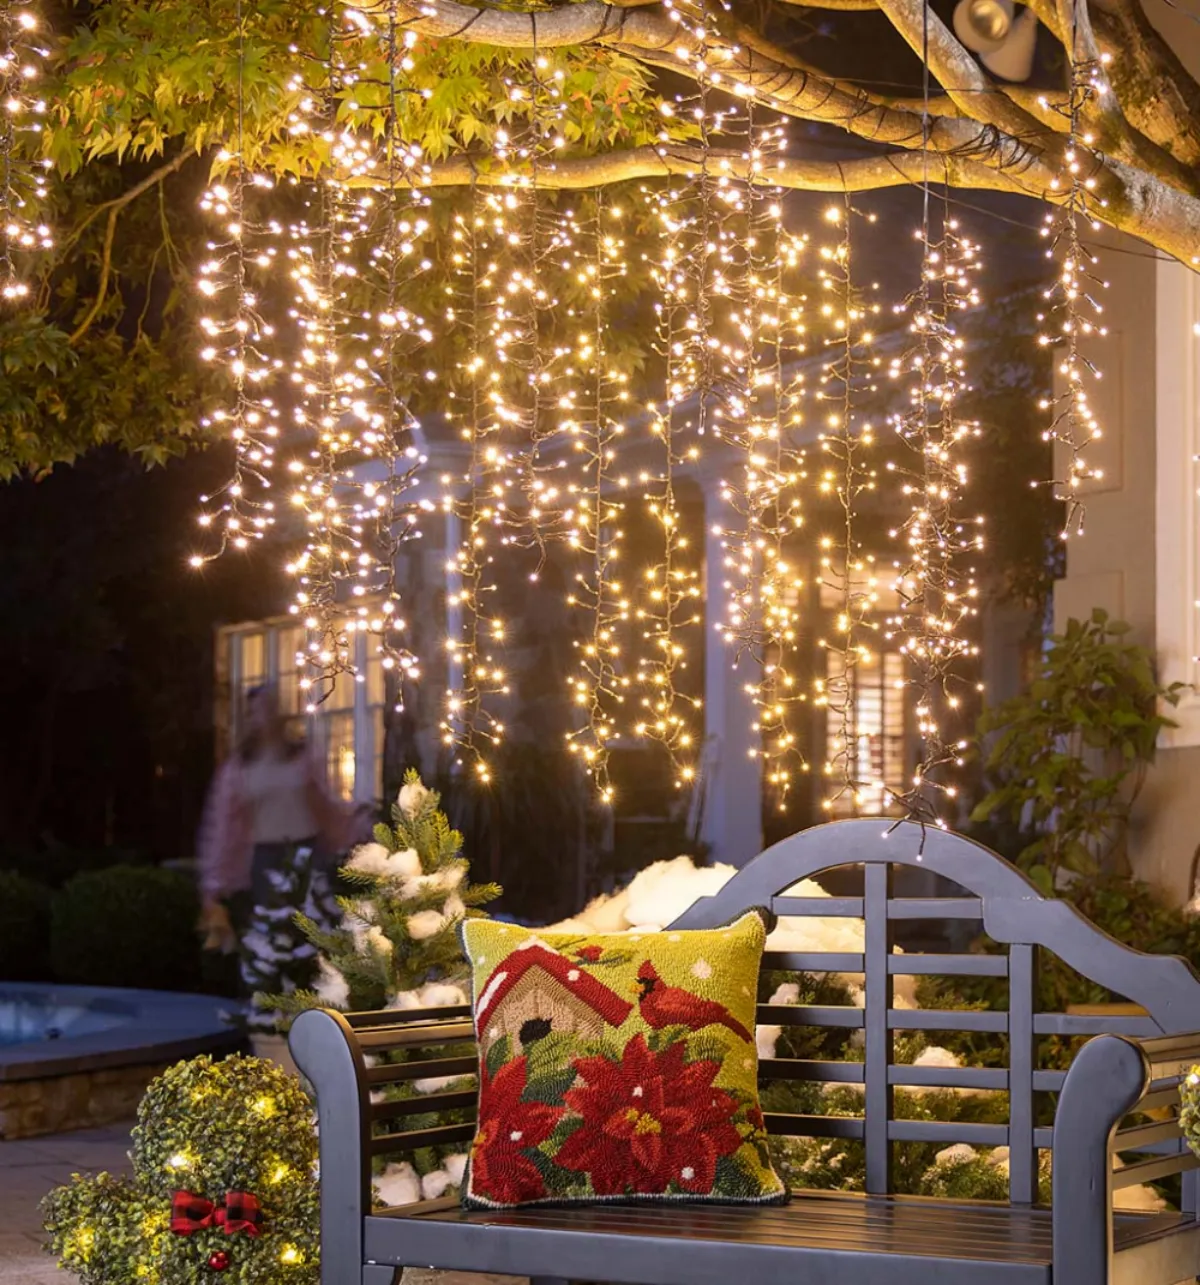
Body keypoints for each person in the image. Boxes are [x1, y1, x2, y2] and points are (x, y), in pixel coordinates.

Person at [196, 685, 362, 953]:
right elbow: (224, 827)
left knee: (313, 929)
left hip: (306, 851)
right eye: (257, 711)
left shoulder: (301, 758)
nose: (264, 717)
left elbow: (324, 803)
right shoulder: (240, 768)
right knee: (273, 936)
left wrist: (349, 837)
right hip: (266, 855)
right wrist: (215, 881)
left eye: (270, 708)